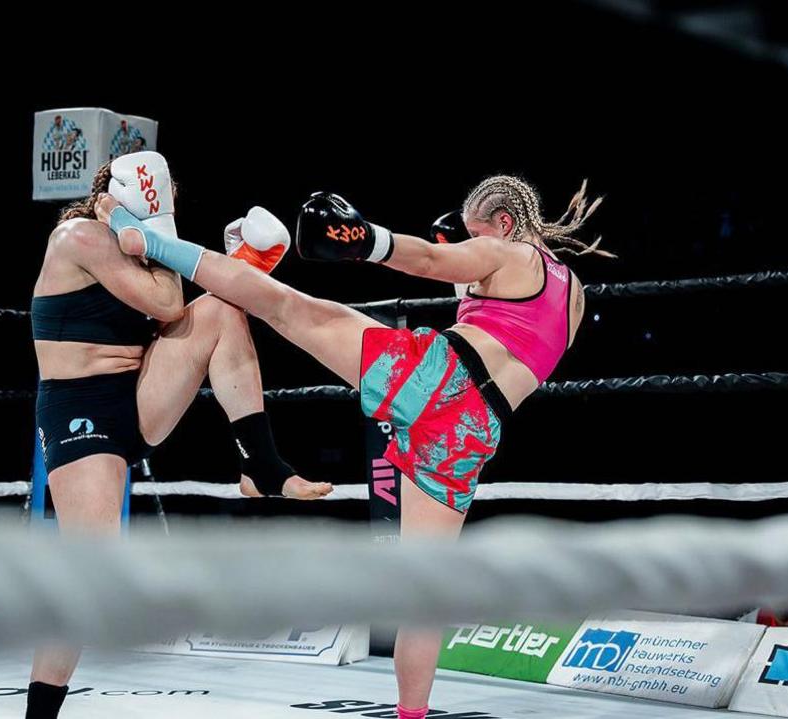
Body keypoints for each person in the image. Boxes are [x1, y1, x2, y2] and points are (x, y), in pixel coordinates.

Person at [98, 174, 605, 718]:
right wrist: (459, 267)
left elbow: (431, 266)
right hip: (473, 431)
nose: (469, 244)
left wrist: (364, 239)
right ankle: (412, 714)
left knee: (287, 306)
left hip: (436, 377)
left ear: (503, 224)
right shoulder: (572, 293)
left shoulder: (504, 250)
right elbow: (501, 322)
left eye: (476, 234)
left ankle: (144, 241)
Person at [25, 152, 330, 719]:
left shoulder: (137, 242)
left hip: (138, 394)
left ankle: (260, 464)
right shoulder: (78, 236)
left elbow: (177, 316)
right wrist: (137, 232)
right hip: (79, 412)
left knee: (222, 309)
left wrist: (242, 262)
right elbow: (166, 300)